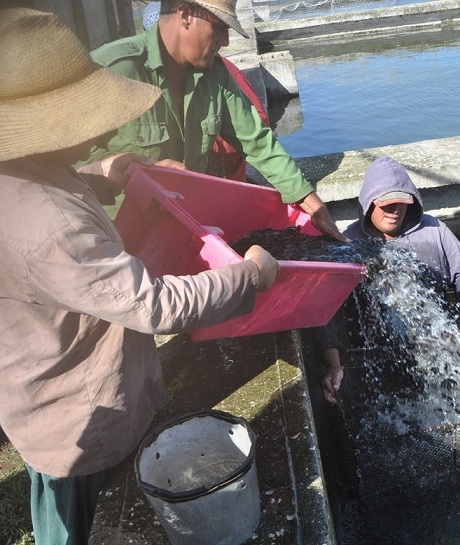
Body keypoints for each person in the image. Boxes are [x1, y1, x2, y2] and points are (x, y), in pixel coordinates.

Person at [0, 8, 279, 544]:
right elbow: (153, 304)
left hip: (42, 392)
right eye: (86, 120)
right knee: (78, 524)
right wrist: (250, 276)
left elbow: (52, 188)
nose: (101, 129)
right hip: (76, 422)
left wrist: (105, 174)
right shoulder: (51, 226)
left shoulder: (22, 172)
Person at [80, 0, 345, 241]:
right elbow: (58, 167)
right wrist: (135, 171)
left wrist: (309, 201)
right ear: (185, 15)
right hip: (114, 238)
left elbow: (257, 141)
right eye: (219, 28)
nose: (226, 41)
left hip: (181, 230)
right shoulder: (112, 70)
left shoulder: (215, 74)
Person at [316, 156, 460, 403]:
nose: (394, 212)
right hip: (374, 348)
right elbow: (326, 307)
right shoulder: (347, 243)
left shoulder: (435, 231)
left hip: (433, 340)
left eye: (401, 204)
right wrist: (333, 364)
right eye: (386, 205)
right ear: (369, 204)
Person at [142, 0, 267, 182]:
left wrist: (206, 139)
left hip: (227, 183)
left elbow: (258, 129)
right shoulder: (131, 73)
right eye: (218, 28)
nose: (225, 41)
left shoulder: (222, 72)